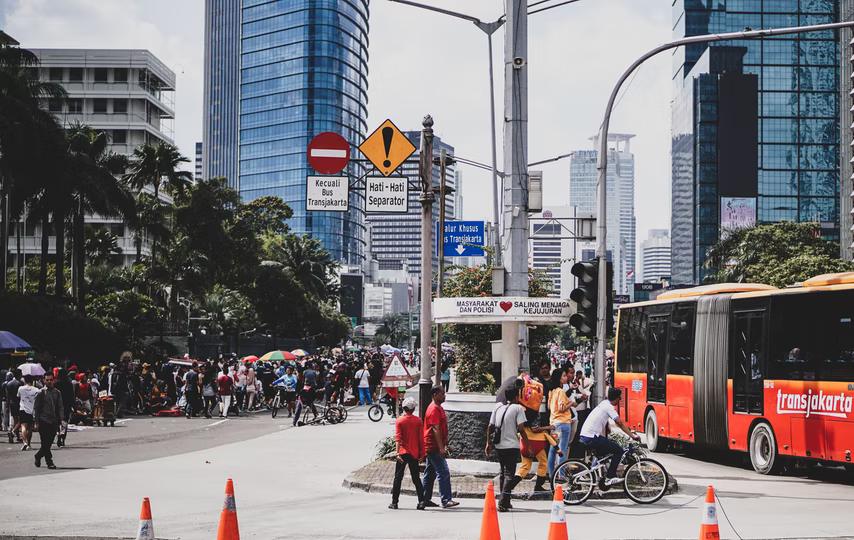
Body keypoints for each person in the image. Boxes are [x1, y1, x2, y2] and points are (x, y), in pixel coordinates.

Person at [578, 387, 639, 486]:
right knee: (619, 450)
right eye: (620, 398)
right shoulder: (609, 407)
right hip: (591, 437)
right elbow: (619, 422)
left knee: (604, 454)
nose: (620, 400)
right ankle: (610, 477)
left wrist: (611, 429)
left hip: (587, 436)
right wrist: (632, 435)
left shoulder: (604, 403)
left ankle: (597, 476)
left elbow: (604, 420)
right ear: (617, 398)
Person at [485, 387, 527, 511]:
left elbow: (490, 427)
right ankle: (503, 502)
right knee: (509, 474)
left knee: (503, 473)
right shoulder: (518, 408)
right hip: (512, 446)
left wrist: (488, 443)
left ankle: (506, 500)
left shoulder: (498, 407)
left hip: (499, 446)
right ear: (516, 397)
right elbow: (522, 429)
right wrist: (528, 444)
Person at [421, 386, 459, 509]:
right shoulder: (433, 409)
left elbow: (442, 428)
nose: (444, 395)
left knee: (430, 472)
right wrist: (441, 448)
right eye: (442, 393)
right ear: (435, 394)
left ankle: (424, 498)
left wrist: (446, 443)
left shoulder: (439, 408)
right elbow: (435, 429)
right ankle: (446, 499)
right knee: (443, 472)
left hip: (434, 445)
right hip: (433, 446)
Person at [389, 397, 425, 510]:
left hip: (403, 452)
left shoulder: (400, 420)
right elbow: (421, 439)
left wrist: (397, 453)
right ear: (413, 409)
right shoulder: (418, 421)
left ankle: (394, 502)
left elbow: (398, 438)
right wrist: (422, 454)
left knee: (398, 478)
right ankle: (421, 501)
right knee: (416, 479)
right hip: (414, 453)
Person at [547, 368, 576, 479]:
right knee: (562, 450)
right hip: (563, 424)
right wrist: (571, 404)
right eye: (563, 376)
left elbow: (550, 407)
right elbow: (562, 407)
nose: (565, 377)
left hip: (554, 423)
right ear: (559, 378)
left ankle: (551, 475)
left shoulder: (552, 391)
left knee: (552, 450)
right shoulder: (560, 391)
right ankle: (561, 475)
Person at [32, 372, 63, 469]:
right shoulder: (41, 392)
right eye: (47, 380)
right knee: (45, 443)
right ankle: (49, 462)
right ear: (44, 380)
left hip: (54, 421)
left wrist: (61, 420)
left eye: (51, 380)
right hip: (43, 421)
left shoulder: (57, 392)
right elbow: (36, 409)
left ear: (53, 380)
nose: (49, 382)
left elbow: (60, 406)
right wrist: (36, 422)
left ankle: (38, 456)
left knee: (49, 443)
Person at [17, 376, 40, 451]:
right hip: (31, 410)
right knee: (30, 428)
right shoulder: (36, 390)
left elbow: (18, 396)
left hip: (23, 409)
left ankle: (24, 442)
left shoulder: (21, 388)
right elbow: (37, 400)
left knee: (23, 427)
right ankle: (29, 444)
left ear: (25, 381)